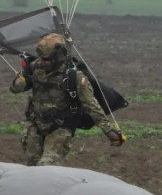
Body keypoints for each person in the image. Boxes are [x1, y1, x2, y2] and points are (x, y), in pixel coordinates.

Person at [10, 32, 125, 166]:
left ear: (58, 56)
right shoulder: (35, 67)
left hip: (59, 128)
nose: (43, 62)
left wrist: (108, 130)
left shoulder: (74, 76)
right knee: (32, 166)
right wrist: (19, 82)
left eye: (47, 59)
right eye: (42, 58)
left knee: (46, 167)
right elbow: (15, 89)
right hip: (34, 125)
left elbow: (90, 104)